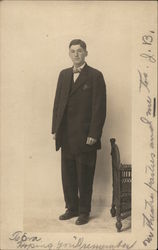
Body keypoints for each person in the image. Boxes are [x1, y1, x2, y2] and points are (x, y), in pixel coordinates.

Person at [52, 39, 106, 225]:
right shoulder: (63, 74)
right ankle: (71, 208)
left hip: (85, 137)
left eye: (80, 51)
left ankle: (84, 211)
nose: (76, 54)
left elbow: (99, 108)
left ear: (86, 53)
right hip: (66, 135)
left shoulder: (95, 76)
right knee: (68, 175)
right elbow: (57, 104)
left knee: (84, 175)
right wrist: (55, 129)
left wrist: (94, 134)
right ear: (69, 54)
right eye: (73, 51)